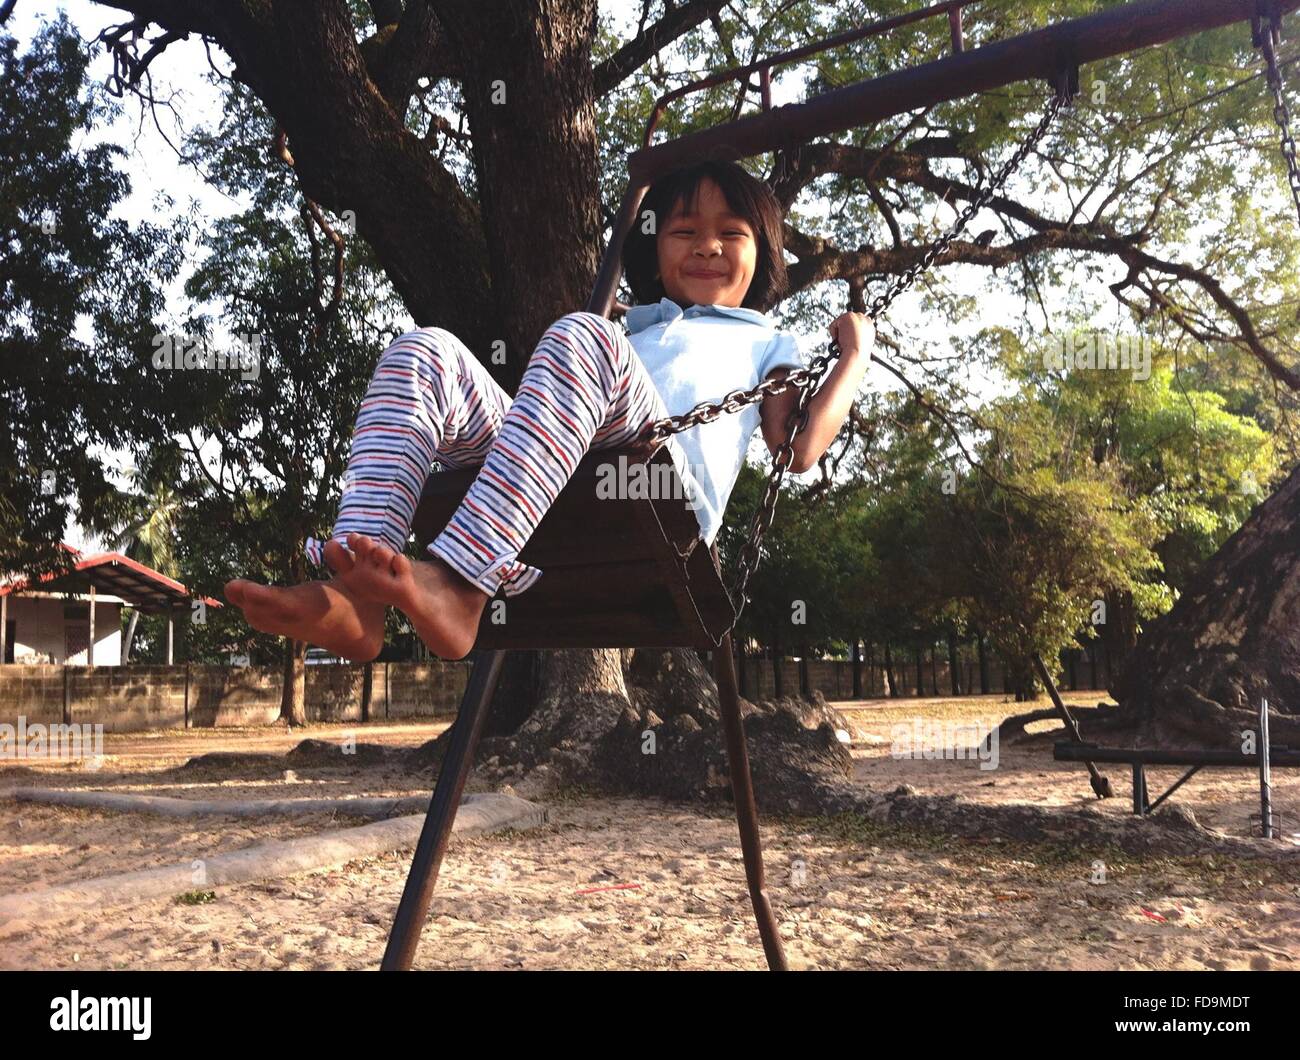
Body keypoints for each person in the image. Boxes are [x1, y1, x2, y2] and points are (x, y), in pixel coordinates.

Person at [224, 160, 874, 660]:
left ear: (763, 252)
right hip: (546, 484)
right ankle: (356, 597)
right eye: (684, 231)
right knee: (422, 351)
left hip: (658, 492)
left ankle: (459, 585)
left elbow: (800, 448)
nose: (706, 247)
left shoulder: (764, 339)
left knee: (582, 334)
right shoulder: (632, 330)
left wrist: (851, 360)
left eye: (730, 233)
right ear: (655, 250)